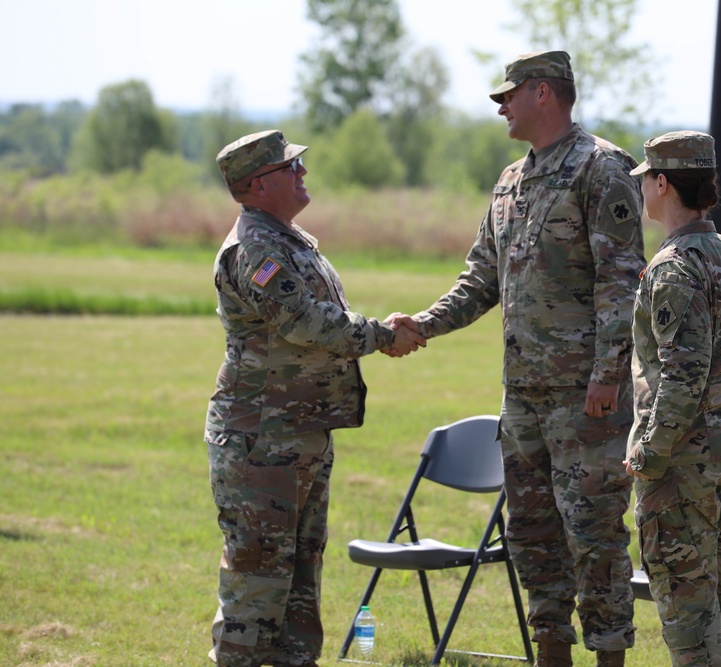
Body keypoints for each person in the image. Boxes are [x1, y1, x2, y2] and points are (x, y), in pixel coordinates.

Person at [388, 51, 645, 667]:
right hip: (524, 398)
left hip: (586, 401)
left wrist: (607, 374)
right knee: (532, 537)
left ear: (543, 94)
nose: (500, 105)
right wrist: (421, 324)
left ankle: (610, 656)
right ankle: (550, 655)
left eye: (509, 95)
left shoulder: (602, 169)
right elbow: (481, 279)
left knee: (594, 536)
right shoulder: (510, 181)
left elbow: (621, 282)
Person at [204, 129, 424, 667]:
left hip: (299, 435)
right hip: (262, 439)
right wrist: (380, 335)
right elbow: (303, 321)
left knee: (300, 583)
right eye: (289, 168)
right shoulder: (255, 248)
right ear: (259, 184)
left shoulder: (287, 238)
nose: (302, 173)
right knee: (257, 585)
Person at [624, 131, 721, 666]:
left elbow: (682, 379)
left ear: (663, 183)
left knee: (688, 606)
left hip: (684, 460)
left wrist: (650, 452)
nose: (642, 185)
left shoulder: (672, 267)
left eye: (646, 176)